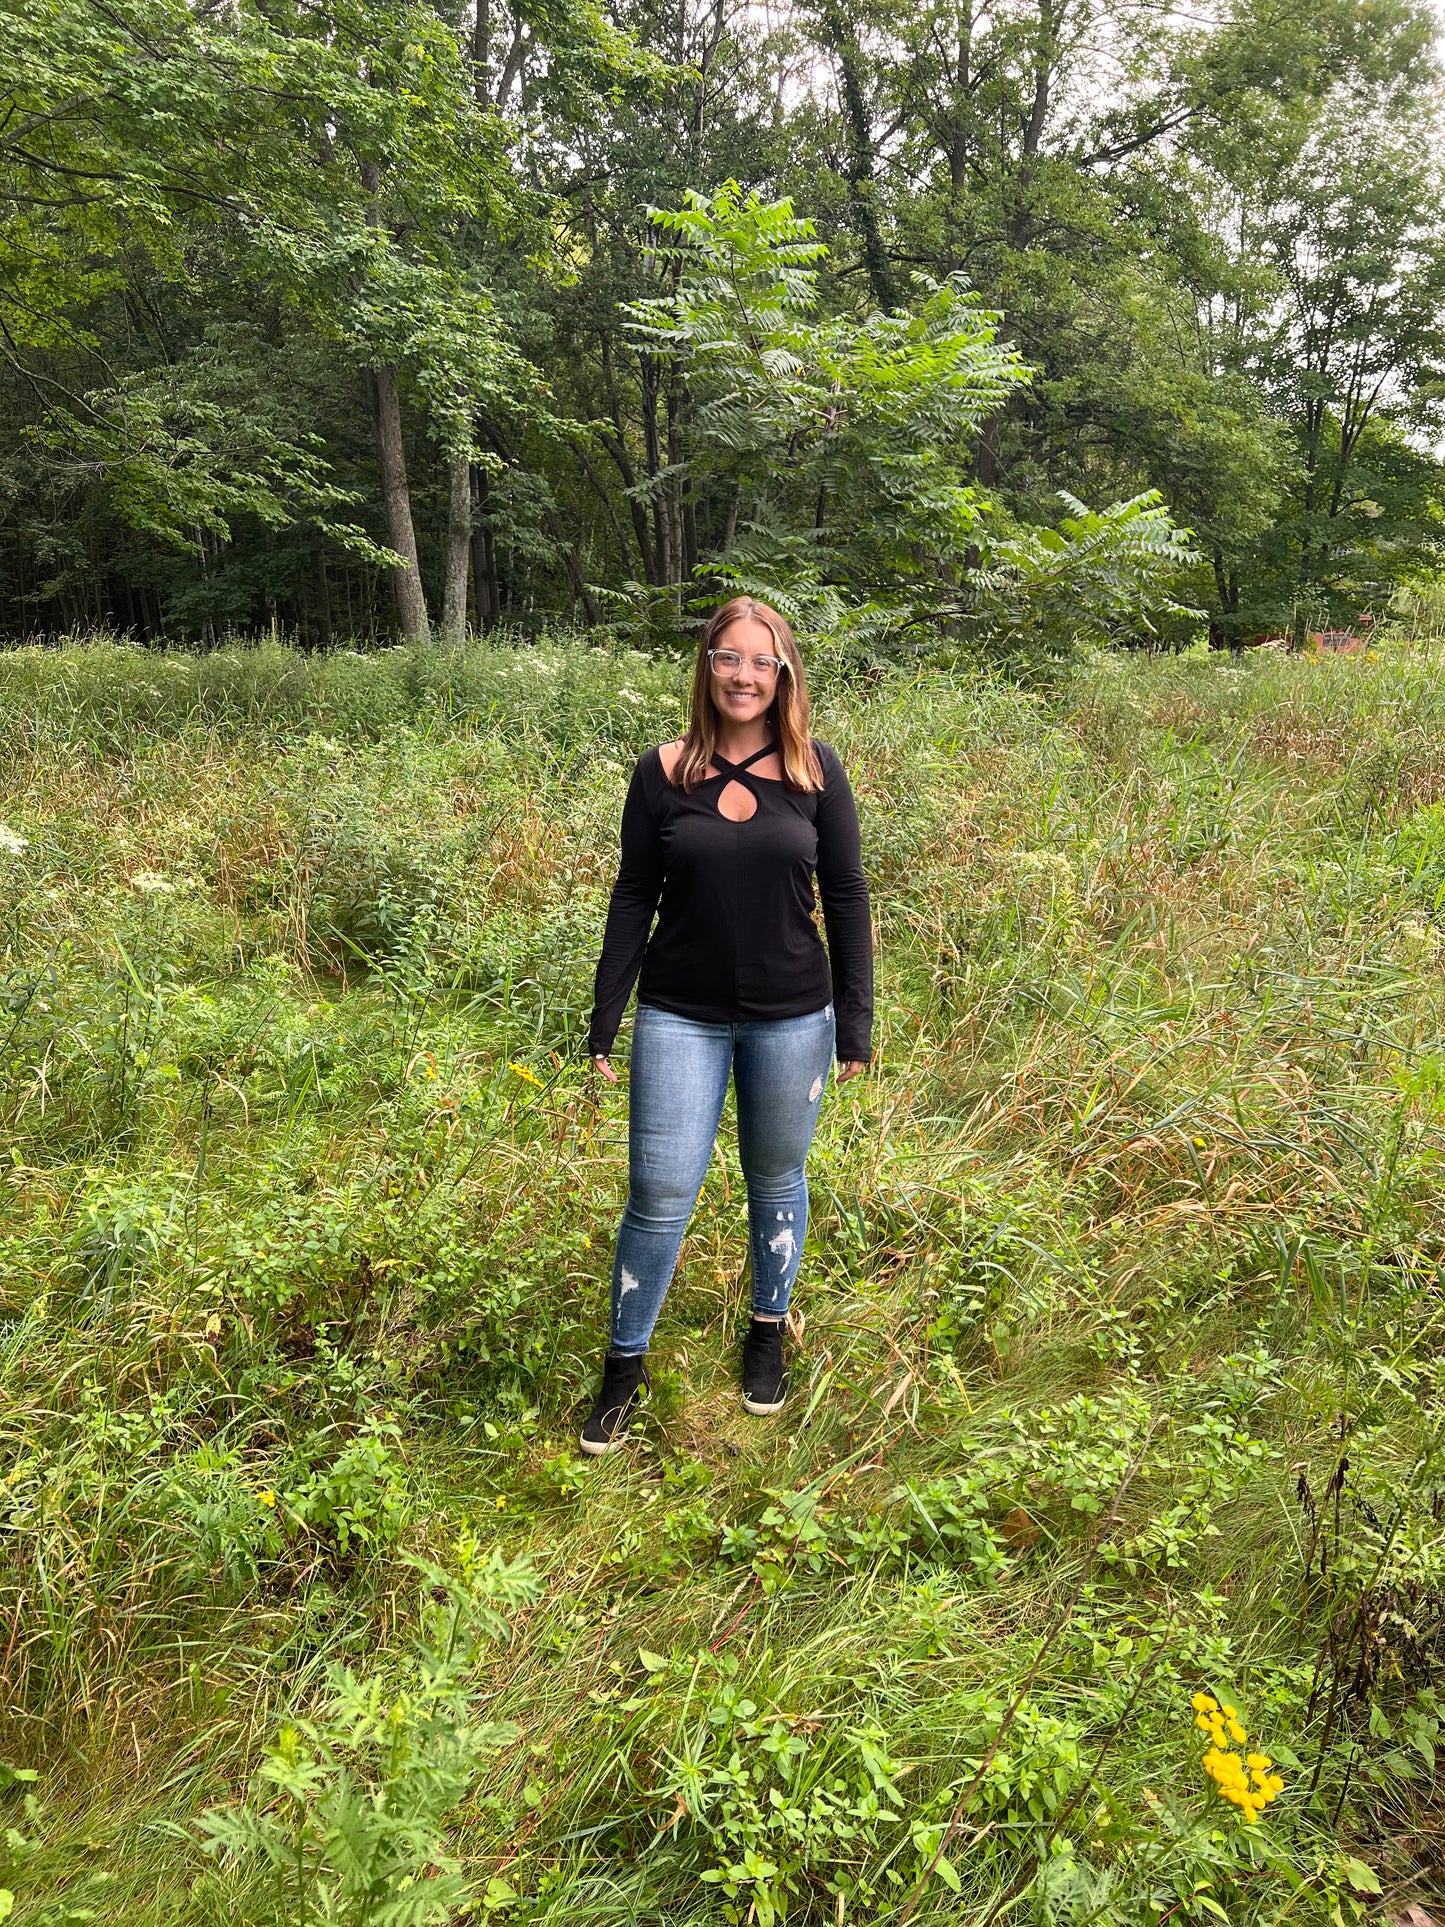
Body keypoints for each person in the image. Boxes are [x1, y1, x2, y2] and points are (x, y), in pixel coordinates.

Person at [580, 597, 873, 1454]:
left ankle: (766, 1335)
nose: (743, 676)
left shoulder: (816, 771)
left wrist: (854, 1023)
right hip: (680, 1015)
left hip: (793, 1017)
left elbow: (847, 898)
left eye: (760, 661)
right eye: (727, 658)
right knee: (659, 1192)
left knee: (775, 1179)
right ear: (705, 667)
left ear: (782, 674)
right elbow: (634, 894)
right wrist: (606, 1015)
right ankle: (623, 1365)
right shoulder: (661, 771)